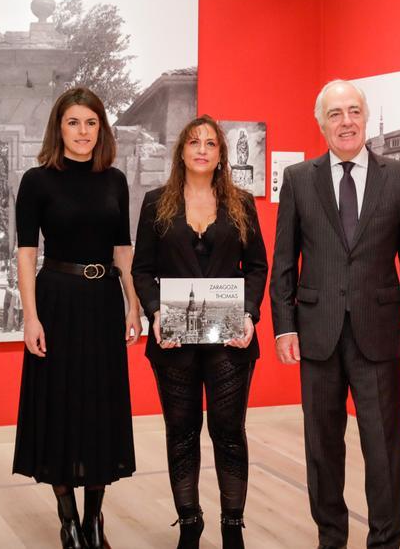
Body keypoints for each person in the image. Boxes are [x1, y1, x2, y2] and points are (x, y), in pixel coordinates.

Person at [270, 80, 400, 549]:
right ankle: (331, 538)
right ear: (321, 124)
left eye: (354, 111)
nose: (346, 121)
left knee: (382, 448)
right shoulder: (299, 180)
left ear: (365, 116)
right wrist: (284, 327)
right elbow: (284, 262)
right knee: (322, 448)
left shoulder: (399, 178)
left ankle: (385, 542)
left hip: (378, 332)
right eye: (335, 113)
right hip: (316, 332)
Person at [12, 86, 142, 549]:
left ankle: (94, 521)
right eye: (73, 122)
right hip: (57, 301)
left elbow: (122, 250)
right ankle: (67, 520)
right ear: (59, 128)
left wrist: (133, 302)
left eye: (91, 123)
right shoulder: (37, 180)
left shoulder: (115, 180)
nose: (83, 132)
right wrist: (31, 317)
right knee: (60, 406)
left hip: (104, 301)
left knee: (99, 408)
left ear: (101, 129)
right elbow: (27, 255)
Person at [133, 116, 268, 549]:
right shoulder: (155, 203)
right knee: (182, 430)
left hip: (230, 339)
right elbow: (142, 270)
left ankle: (233, 527)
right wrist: (154, 313)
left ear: (221, 154)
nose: (203, 149)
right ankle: (189, 523)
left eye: (211, 143)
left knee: (229, 431)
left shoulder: (242, 203)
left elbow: (258, 267)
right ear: (182, 151)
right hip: (173, 340)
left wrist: (249, 314)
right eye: (194, 142)